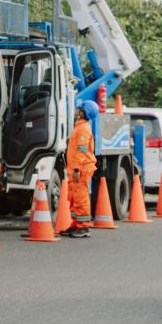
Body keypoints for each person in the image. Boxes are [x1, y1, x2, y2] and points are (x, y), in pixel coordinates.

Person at [61, 101, 97, 238]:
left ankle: (83, 227)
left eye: (79, 109)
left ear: (83, 112)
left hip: (81, 169)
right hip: (77, 168)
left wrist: (77, 169)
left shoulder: (83, 129)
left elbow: (81, 150)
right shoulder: (80, 127)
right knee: (74, 196)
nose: (76, 110)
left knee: (80, 197)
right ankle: (76, 224)